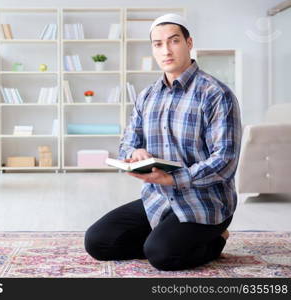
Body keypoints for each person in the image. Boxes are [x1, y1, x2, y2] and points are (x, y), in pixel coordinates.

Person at [84, 14, 242, 271]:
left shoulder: (216, 94)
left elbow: (225, 160)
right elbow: (126, 142)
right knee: (97, 242)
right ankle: (163, 240)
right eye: (157, 44)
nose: (166, 50)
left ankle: (215, 240)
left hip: (205, 202)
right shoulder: (147, 96)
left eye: (174, 41)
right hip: (159, 197)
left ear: (189, 43)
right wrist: (135, 152)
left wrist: (174, 178)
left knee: (161, 256)